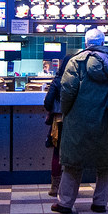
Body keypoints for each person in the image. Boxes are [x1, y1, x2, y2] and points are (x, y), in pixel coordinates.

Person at [52, 28, 108, 214]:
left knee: (73, 162)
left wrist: (67, 112)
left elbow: (67, 91)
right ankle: (100, 203)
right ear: (103, 43)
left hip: (78, 121)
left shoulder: (75, 62)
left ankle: (65, 203)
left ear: (86, 43)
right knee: (105, 164)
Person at [42, 52, 74, 196]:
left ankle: (55, 187)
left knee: (57, 153)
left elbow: (48, 102)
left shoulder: (57, 80)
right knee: (73, 153)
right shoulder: (79, 80)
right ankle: (70, 186)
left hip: (59, 121)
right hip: (75, 121)